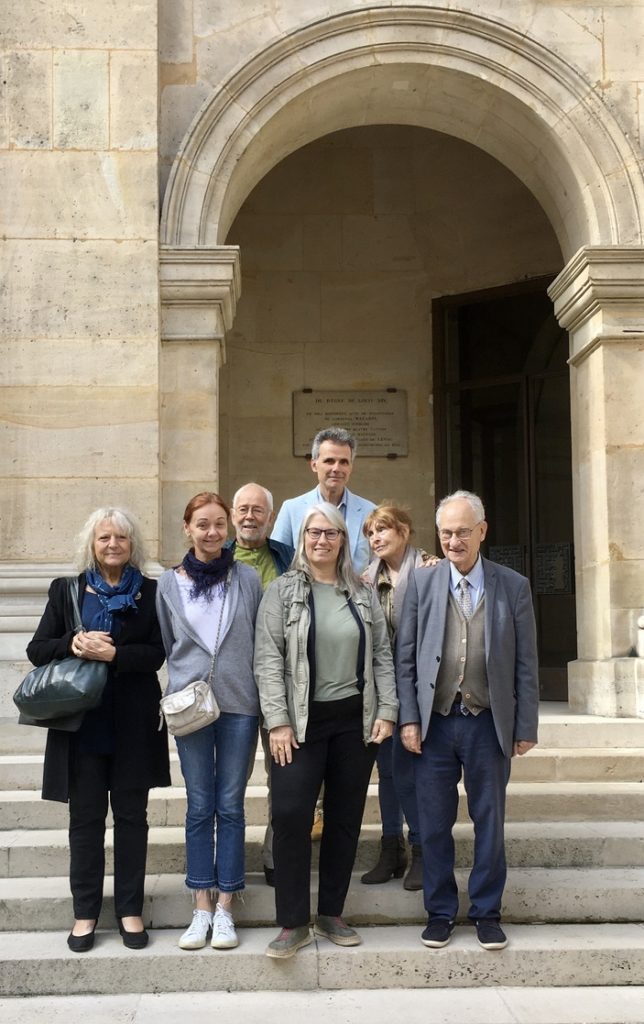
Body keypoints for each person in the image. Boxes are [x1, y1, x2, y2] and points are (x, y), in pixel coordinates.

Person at [396, 490, 539, 951]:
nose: (453, 541)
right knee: (433, 824)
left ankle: (486, 912)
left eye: (461, 531)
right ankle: (440, 913)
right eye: (445, 532)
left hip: (487, 723)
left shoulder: (512, 585)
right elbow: (405, 659)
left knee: (489, 821)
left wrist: (525, 726)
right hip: (435, 723)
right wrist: (409, 719)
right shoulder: (420, 583)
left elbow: (525, 664)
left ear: (482, 531)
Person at [254, 502, 398, 959]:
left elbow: (381, 655)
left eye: (331, 534)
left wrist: (388, 709)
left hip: (354, 722)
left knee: (345, 817)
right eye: (314, 533)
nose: (322, 540)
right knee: (293, 814)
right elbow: (268, 660)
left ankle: (332, 913)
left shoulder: (361, 592)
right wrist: (277, 721)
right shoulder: (281, 593)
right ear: (303, 539)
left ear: (342, 540)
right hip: (299, 724)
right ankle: (293, 921)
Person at [26, 507, 170, 953]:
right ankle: (85, 912)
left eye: (121, 539)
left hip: (133, 724)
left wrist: (114, 656)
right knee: (84, 822)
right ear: (92, 543)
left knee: (132, 820)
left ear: (133, 547)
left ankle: (129, 910)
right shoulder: (66, 590)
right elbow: (37, 650)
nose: (113, 545)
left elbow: (158, 654)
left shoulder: (150, 592)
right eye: (104, 537)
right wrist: (72, 643)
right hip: (81, 726)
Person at [156, 492, 262, 952]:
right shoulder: (166, 584)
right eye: (203, 524)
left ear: (230, 529)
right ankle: (200, 904)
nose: (212, 532)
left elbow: (261, 640)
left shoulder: (249, 578)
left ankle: (225, 907)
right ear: (188, 528)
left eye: (220, 524)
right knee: (199, 805)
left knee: (231, 805)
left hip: (239, 703)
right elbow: (168, 642)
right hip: (190, 707)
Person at [360, 504, 437, 890]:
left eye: (383, 530)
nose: (375, 538)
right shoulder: (364, 580)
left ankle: (422, 848)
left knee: (408, 772)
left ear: (404, 531)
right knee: (387, 772)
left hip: (418, 687)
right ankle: (392, 848)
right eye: (371, 532)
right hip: (379, 689)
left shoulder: (431, 571)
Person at [226, 481, 294, 886]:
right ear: (233, 515)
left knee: (283, 779)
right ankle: (226, 864)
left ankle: (276, 858)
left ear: (271, 518)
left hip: (278, 686)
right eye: (243, 509)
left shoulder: (287, 557)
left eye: (258, 511)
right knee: (229, 782)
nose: (250, 516)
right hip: (230, 687)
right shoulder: (215, 557)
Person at [271, 426, 375, 573]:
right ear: (314, 465)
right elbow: (277, 562)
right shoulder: (291, 509)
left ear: (351, 467)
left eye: (344, 462)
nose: (336, 468)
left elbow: (379, 566)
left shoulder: (369, 511)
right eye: (329, 461)